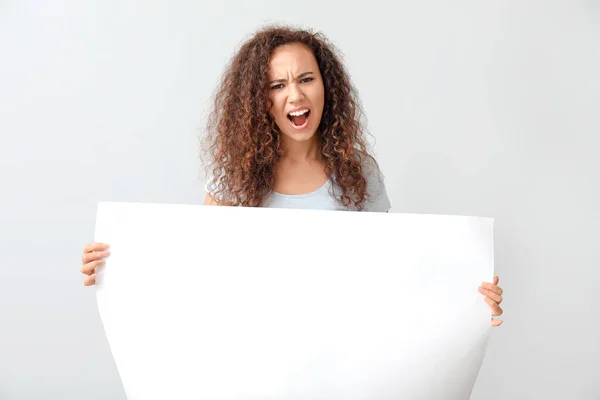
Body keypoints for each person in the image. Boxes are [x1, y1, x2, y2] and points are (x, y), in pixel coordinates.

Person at [79, 24, 504, 326]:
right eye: (276, 85)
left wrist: (466, 299)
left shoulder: (360, 173)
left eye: (305, 79)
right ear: (257, 100)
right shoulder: (233, 177)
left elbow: (392, 276)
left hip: (343, 354)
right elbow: (198, 270)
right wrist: (120, 266)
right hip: (257, 353)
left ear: (326, 87)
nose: (295, 95)